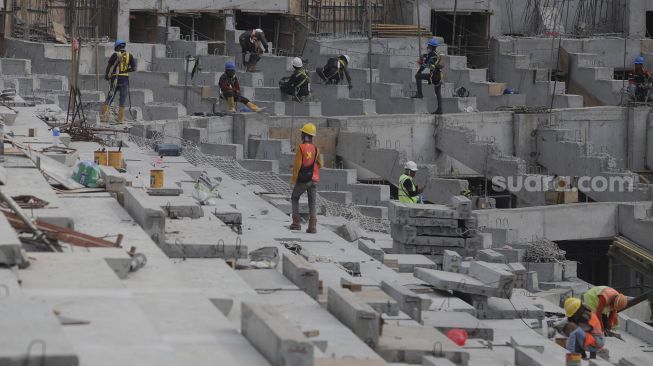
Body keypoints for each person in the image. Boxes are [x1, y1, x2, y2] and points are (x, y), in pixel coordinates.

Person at [289, 123, 322, 234]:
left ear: (304, 135)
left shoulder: (301, 148)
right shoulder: (316, 149)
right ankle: (312, 226)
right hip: (314, 179)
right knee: (312, 202)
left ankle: (296, 223)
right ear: (312, 136)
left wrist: (294, 180)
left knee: (294, 197)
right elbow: (320, 164)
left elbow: (297, 166)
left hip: (304, 179)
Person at [100, 39, 136, 124]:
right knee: (122, 100)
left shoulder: (115, 55)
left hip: (115, 79)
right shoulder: (129, 55)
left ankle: (104, 117)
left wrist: (106, 75)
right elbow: (133, 68)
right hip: (125, 80)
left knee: (110, 97)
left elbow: (109, 66)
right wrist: (125, 70)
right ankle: (120, 120)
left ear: (118, 46)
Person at [412, 38, 444, 114]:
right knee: (438, 92)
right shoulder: (436, 54)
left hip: (434, 75)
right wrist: (423, 56)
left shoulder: (432, 56)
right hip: (439, 76)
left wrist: (419, 69)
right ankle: (440, 109)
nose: (427, 47)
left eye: (428, 45)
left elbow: (427, 66)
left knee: (417, 76)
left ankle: (420, 94)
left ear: (431, 46)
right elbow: (429, 58)